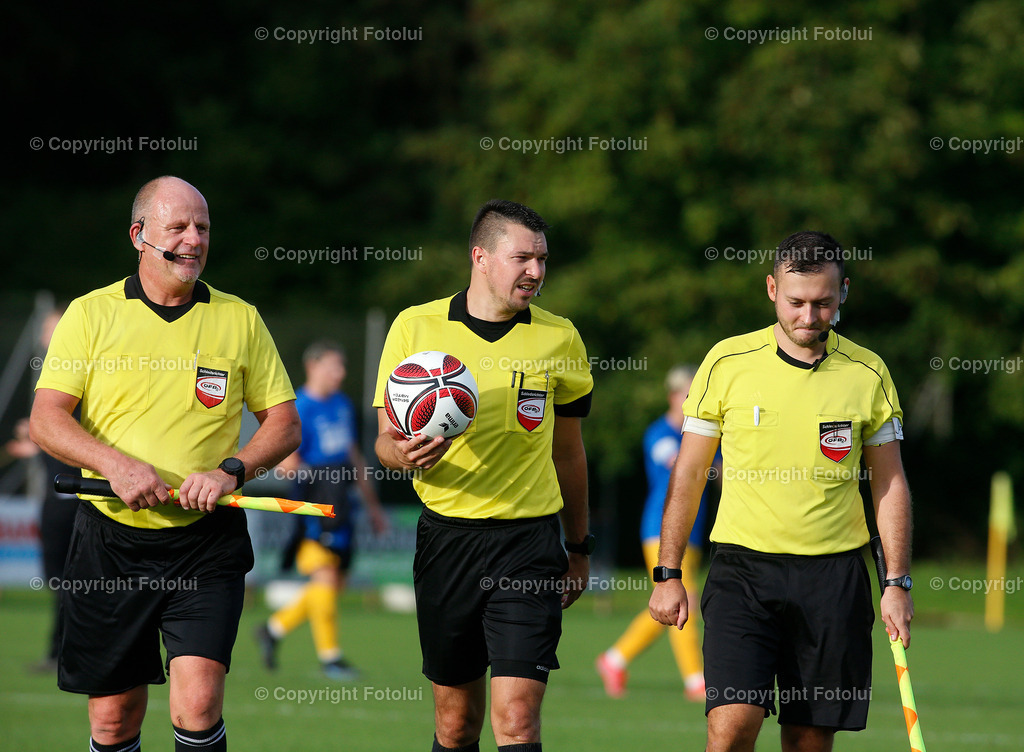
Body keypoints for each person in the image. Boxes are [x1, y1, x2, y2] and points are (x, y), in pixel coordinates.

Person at [29, 176, 300, 752]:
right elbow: (47, 420)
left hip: (206, 543)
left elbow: (283, 423)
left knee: (198, 704)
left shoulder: (240, 319)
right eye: (177, 226)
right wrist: (116, 465)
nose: (194, 239)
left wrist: (231, 470)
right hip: (109, 541)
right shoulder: (90, 314)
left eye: (202, 227)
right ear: (139, 236)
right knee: (113, 721)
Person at [649, 231, 914, 752]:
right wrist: (668, 572)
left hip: (834, 578)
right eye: (796, 302)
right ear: (772, 289)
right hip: (743, 575)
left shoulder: (869, 372)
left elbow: (889, 482)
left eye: (823, 303)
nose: (810, 317)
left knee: (808, 741)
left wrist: (897, 582)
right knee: (730, 730)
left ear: (843, 295)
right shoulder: (726, 362)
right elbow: (689, 475)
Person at [373, 199, 593, 752]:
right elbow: (383, 442)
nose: (536, 272)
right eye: (523, 258)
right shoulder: (414, 326)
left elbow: (569, 452)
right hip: (448, 539)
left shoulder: (559, 338)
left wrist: (579, 546)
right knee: (455, 725)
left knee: (516, 720)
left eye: (543, 260)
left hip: (529, 542)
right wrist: (402, 457)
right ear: (481, 258)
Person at [255, 340, 389, 680]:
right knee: (325, 578)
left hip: (343, 507)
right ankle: (331, 658)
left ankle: (273, 628)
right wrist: (311, 474)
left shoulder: (342, 404)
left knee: (334, 583)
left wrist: (372, 506)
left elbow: (354, 457)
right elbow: (287, 465)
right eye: (334, 366)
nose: (341, 373)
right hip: (314, 508)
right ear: (312, 366)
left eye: (342, 367)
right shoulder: (297, 406)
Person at [596, 365, 719, 701]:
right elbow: (681, 463)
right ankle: (696, 681)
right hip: (659, 531)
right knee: (686, 600)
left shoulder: (704, 435)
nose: (694, 401)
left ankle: (614, 659)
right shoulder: (660, 434)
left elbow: (721, 471)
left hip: (693, 532)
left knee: (672, 603)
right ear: (673, 396)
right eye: (688, 395)